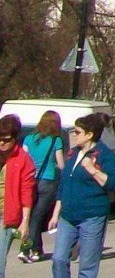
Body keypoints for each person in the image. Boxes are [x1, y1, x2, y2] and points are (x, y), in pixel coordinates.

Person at [47, 112, 115, 278]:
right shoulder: (73, 154)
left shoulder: (104, 155)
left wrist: (92, 170)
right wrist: (56, 213)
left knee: (87, 265)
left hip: (92, 216)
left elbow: (113, 183)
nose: (74, 135)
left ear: (89, 134)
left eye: (78, 132)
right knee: (58, 258)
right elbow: (64, 184)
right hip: (68, 216)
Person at [20, 112, 62, 262]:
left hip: (30, 180)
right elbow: (61, 164)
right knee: (37, 218)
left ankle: (37, 249)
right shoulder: (56, 140)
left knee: (32, 217)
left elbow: (23, 161)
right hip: (48, 181)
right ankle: (26, 249)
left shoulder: (28, 139)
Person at [2, 112, 34, 278]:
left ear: (15, 138)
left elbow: (26, 192)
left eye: (6, 139)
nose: (1, 143)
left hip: (4, 217)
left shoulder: (23, 160)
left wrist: (25, 220)